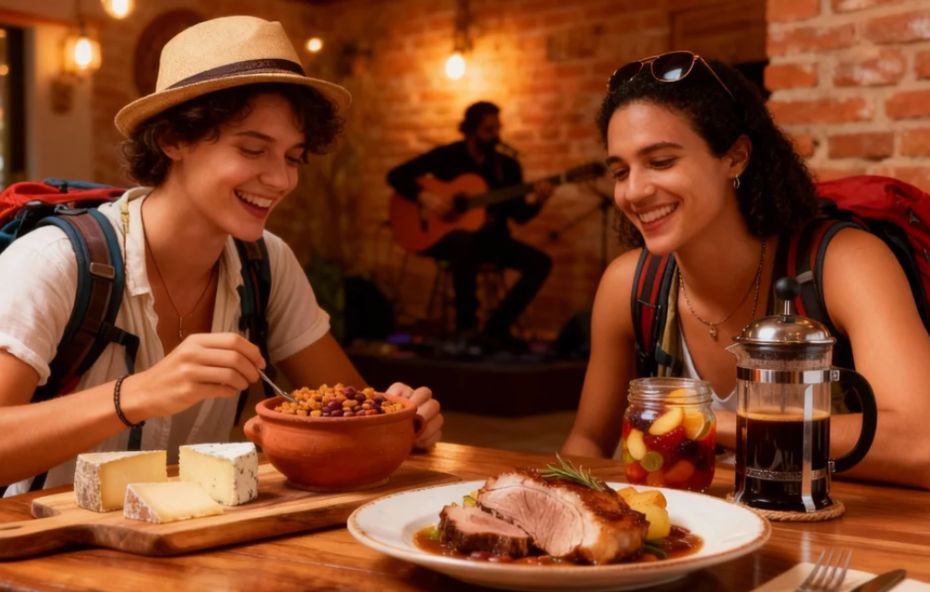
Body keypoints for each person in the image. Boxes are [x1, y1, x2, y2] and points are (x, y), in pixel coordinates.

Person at [0, 15, 442, 494]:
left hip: (197, 555)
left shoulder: (267, 263)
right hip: (42, 556)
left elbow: (349, 412)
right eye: (253, 150)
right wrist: (137, 394)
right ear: (174, 139)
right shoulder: (54, 261)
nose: (282, 180)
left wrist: (397, 419)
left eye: (293, 157)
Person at [560, 51, 930, 489]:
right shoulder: (629, 285)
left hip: (850, 540)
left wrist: (710, 422)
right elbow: (586, 441)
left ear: (735, 158)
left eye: (661, 162)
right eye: (621, 171)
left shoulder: (843, 263)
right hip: (699, 542)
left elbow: (920, 444)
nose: (634, 191)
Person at [386, 101, 553, 348]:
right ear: (471, 129)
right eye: (488, 130)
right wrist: (426, 197)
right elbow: (395, 175)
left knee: (541, 263)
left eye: (498, 128)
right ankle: (466, 328)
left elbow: (519, 215)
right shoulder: (448, 156)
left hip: (493, 241)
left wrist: (539, 201)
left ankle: (495, 328)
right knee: (465, 241)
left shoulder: (506, 166)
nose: (495, 135)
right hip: (445, 240)